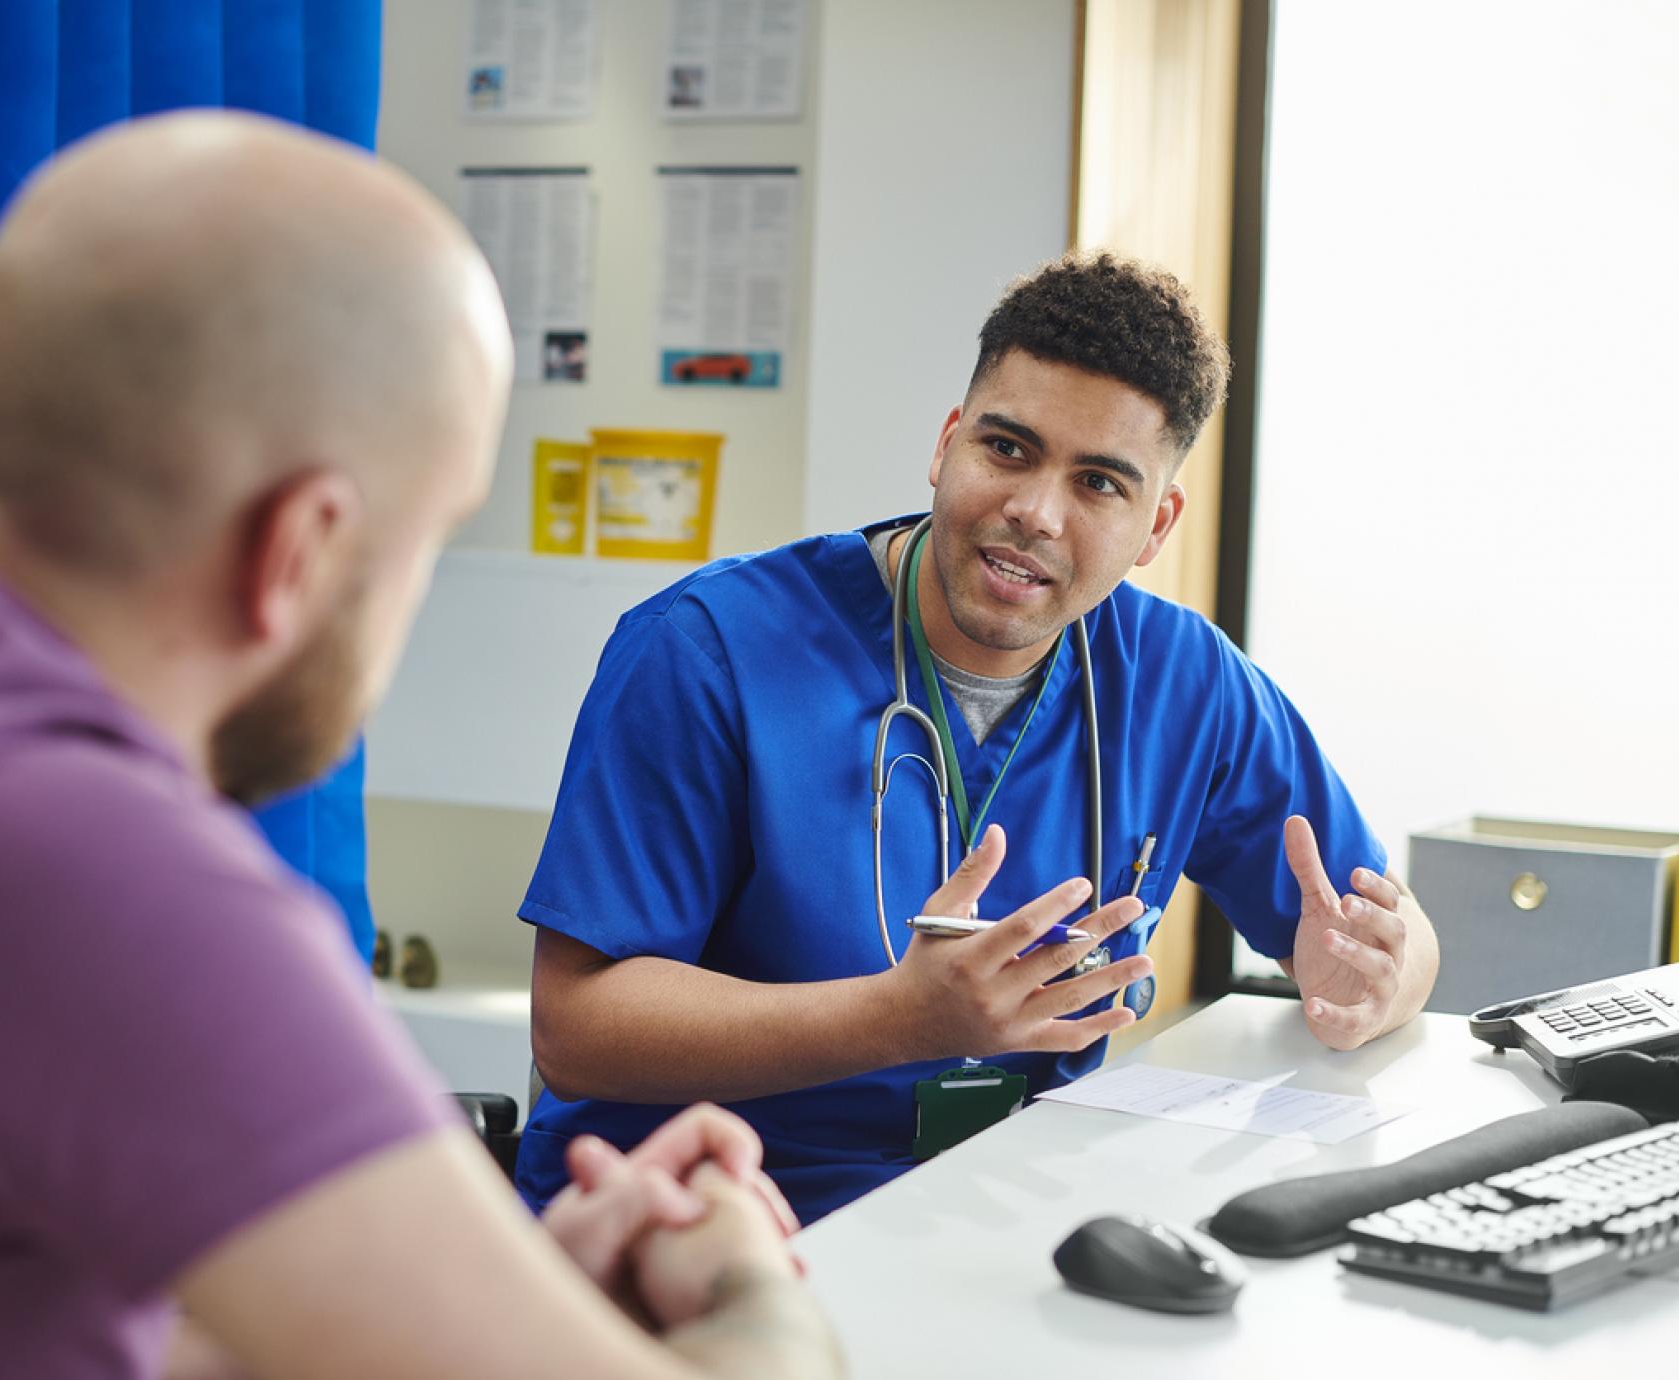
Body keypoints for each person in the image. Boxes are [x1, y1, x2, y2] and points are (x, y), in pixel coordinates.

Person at [0, 111, 841, 1380]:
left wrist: (474, 1299)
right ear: (300, 549)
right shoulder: (97, 878)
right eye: (424, 544)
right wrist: (738, 1276)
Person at [517, 252, 1443, 1225]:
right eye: (1007, 449)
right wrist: (893, 1021)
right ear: (946, 443)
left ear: (1155, 523)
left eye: (1097, 483)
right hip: (696, 1226)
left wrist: (1378, 980)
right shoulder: (709, 653)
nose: (1034, 513)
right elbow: (575, 1029)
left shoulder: (1183, 683)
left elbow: (1386, 927)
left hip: (995, 1220)